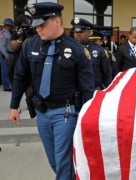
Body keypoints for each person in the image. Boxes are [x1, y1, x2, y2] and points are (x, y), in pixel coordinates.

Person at [8, 2, 94, 179]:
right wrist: (13, 105)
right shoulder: (30, 45)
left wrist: (90, 117)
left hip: (66, 113)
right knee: (54, 160)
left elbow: (87, 88)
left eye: (42, 24)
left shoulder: (77, 50)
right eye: (36, 25)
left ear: (57, 21)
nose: (38, 29)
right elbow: (20, 76)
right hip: (42, 113)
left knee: (62, 162)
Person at [71, 17, 112, 89]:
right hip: (74, 91)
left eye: (81, 32)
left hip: (94, 90)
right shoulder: (69, 49)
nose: (77, 34)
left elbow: (107, 74)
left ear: (90, 33)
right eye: (75, 32)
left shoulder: (100, 51)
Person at [0, 17, 14, 91]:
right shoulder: (3, 33)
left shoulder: (7, 33)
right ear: (7, 26)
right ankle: (7, 87)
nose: (12, 27)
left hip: (10, 53)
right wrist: (6, 56)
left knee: (9, 70)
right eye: (11, 26)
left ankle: (8, 85)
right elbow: (1, 46)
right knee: (6, 71)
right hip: (6, 54)